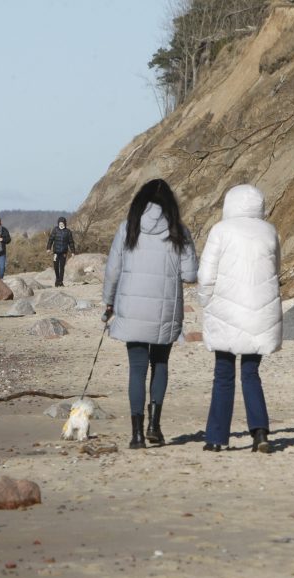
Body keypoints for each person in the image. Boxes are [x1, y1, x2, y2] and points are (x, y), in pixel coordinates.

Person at [103, 179, 198, 449]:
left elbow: (112, 271)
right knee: (161, 364)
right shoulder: (179, 231)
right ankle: (154, 425)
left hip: (132, 310)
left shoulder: (128, 228)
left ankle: (136, 435)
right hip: (165, 309)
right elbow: (190, 274)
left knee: (136, 369)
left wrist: (108, 303)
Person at [198, 185, 282, 454]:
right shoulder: (269, 231)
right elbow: (275, 269)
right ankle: (260, 433)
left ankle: (216, 438)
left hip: (226, 311)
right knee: (251, 373)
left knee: (223, 375)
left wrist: (206, 301)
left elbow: (206, 275)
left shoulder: (220, 230)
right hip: (260, 312)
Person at [47, 217, 76, 287]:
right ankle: (57, 279)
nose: (61, 225)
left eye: (62, 223)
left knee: (62, 267)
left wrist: (73, 252)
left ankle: (60, 281)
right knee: (56, 266)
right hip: (56, 252)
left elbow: (71, 242)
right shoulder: (55, 230)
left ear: (65, 223)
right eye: (60, 223)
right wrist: (48, 248)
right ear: (58, 223)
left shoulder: (68, 231)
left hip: (64, 252)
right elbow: (51, 239)